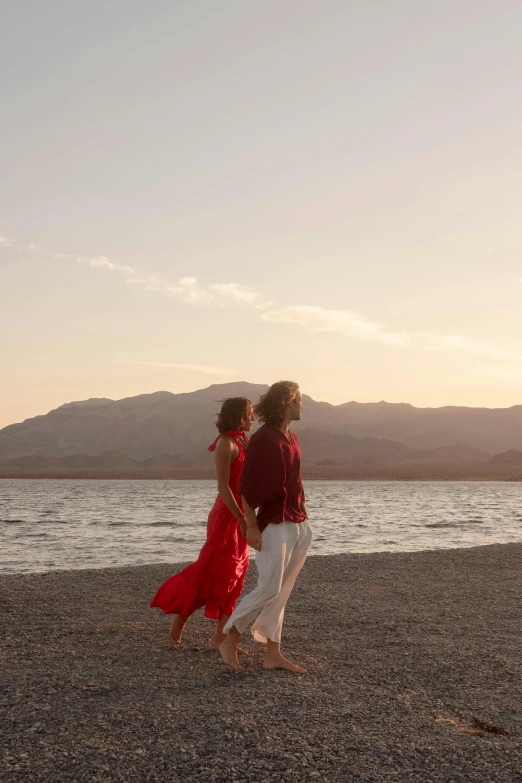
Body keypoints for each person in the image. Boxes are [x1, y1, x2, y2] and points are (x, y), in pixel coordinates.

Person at [218, 381, 312, 673]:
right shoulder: (263, 439)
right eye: (298, 400)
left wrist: (305, 514)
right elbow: (245, 486)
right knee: (269, 586)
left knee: (282, 590)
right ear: (286, 403)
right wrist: (251, 525)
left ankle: (273, 653)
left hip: (297, 521)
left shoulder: (291, 437)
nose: (302, 405)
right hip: (272, 523)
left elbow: (295, 480)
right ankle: (229, 638)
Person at [150, 397, 254, 650]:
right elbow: (223, 487)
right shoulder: (226, 445)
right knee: (214, 569)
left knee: (236, 573)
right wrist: (240, 519)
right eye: (250, 414)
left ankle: (221, 637)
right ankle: (181, 618)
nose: (253, 419)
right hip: (227, 516)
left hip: (244, 515)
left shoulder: (244, 441)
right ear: (240, 416)